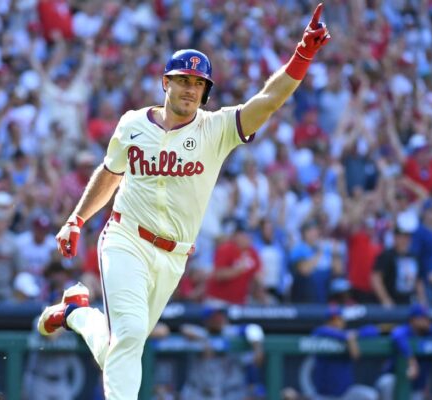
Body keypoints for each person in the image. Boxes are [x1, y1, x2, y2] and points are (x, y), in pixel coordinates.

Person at [38, 4, 330, 398]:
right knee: (129, 337)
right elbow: (110, 173)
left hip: (174, 256)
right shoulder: (132, 123)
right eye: (183, 80)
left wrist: (302, 55)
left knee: (119, 350)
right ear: (166, 83)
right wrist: (76, 219)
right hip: (126, 238)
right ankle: (80, 317)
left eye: (198, 83)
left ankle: (76, 314)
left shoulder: (217, 129)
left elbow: (268, 99)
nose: (191, 89)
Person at [376, 304, 432, 400]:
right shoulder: (404, 331)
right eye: (423, 318)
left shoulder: (431, 330)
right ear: (413, 320)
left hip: (416, 388)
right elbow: (397, 335)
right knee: (387, 382)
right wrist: (411, 360)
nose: (427, 321)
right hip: (395, 382)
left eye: (427, 318)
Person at [301, 306, 379, 400]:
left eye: (339, 319)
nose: (336, 323)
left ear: (343, 321)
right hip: (324, 395)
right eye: (332, 320)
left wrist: (354, 335)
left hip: (346, 393)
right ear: (327, 322)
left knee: (371, 395)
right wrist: (347, 337)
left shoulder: (349, 334)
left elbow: (373, 330)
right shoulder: (321, 334)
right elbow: (320, 331)